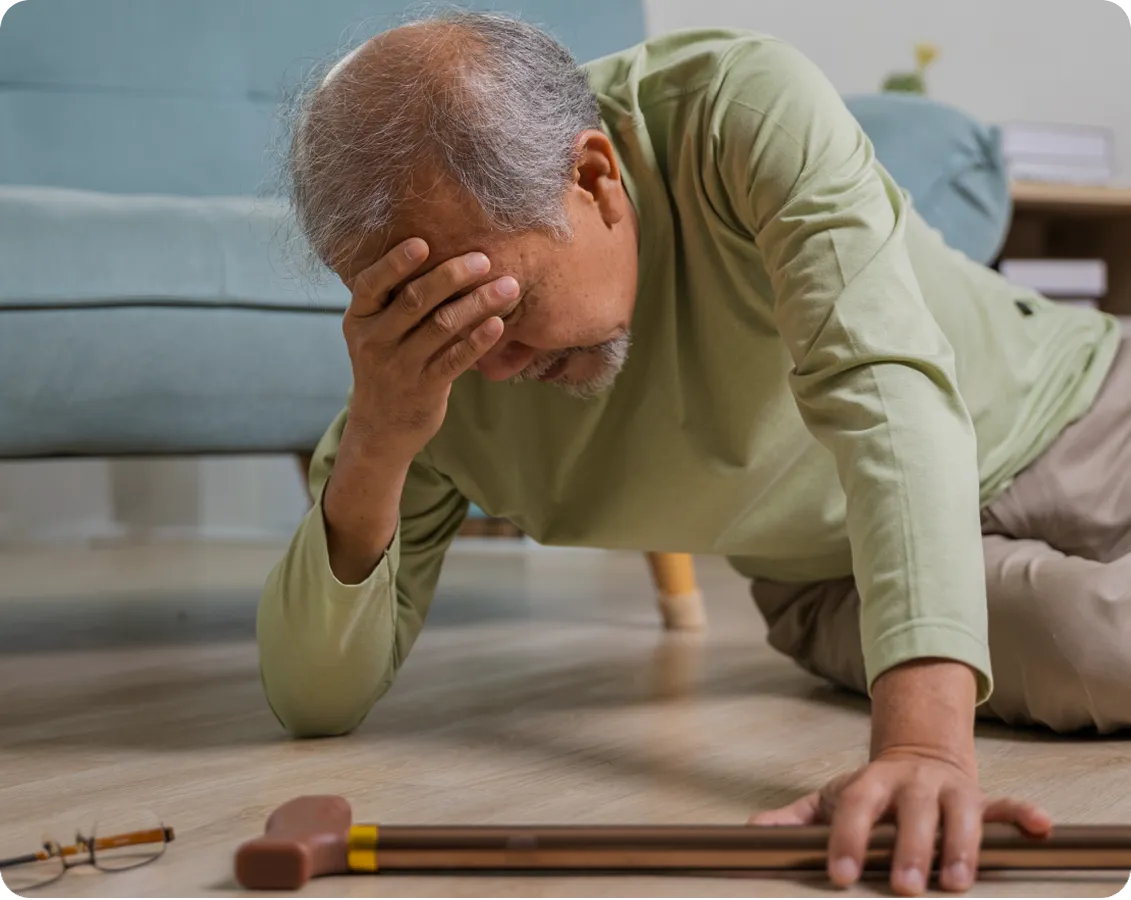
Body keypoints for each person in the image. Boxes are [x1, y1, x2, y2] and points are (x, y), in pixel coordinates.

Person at [257, 11, 1130, 896]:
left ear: (594, 179)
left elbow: (885, 396)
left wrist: (920, 747)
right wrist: (377, 437)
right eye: (427, 320)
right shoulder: (422, 385)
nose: (488, 362)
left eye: (500, 307)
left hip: (1087, 409)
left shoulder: (735, 109)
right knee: (1107, 648)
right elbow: (314, 698)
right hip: (841, 576)